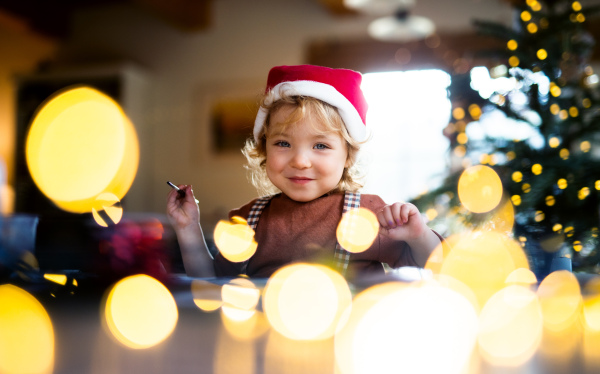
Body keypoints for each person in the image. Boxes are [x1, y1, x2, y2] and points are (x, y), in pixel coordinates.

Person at [167, 64, 443, 280]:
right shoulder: (247, 219)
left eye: (320, 145)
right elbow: (211, 282)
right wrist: (188, 228)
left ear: (348, 156)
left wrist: (419, 236)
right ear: (265, 148)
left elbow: (436, 268)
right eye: (283, 143)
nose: (300, 161)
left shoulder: (369, 215)